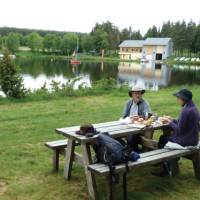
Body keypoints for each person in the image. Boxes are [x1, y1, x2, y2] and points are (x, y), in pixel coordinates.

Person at [153, 89, 200, 176]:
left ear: (184, 99)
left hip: (187, 141)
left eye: (178, 98)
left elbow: (179, 129)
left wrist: (169, 122)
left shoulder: (186, 111)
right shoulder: (194, 108)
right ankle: (166, 163)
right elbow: (185, 125)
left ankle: (165, 168)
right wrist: (172, 120)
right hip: (194, 139)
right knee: (165, 138)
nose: (177, 100)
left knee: (163, 139)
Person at [122, 85, 152, 152]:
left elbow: (148, 115)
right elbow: (124, 116)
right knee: (116, 137)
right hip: (128, 126)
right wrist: (130, 118)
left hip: (140, 128)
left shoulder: (145, 103)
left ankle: (134, 152)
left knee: (131, 138)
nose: (137, 95)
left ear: (141, 94)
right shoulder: (128, 103)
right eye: (135, 93)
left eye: (139, 93)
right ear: (132, 94)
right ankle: (133, 151)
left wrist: (140, 117)